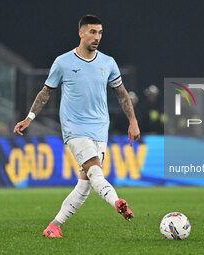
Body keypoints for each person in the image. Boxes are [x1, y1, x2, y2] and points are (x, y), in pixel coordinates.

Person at [13, 14, 140, 238]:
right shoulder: (63, 62)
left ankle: (54, 225)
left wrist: (133, 121)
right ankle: (117, 202)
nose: (97, 37)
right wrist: (30, 117)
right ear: (81, 33)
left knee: (85, 185)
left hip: (100, 128)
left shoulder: (108, 62)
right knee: (94, 170)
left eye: (100, 32)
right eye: (92, 32)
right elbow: (46, 93)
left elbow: (122, 95)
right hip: (74, 129)